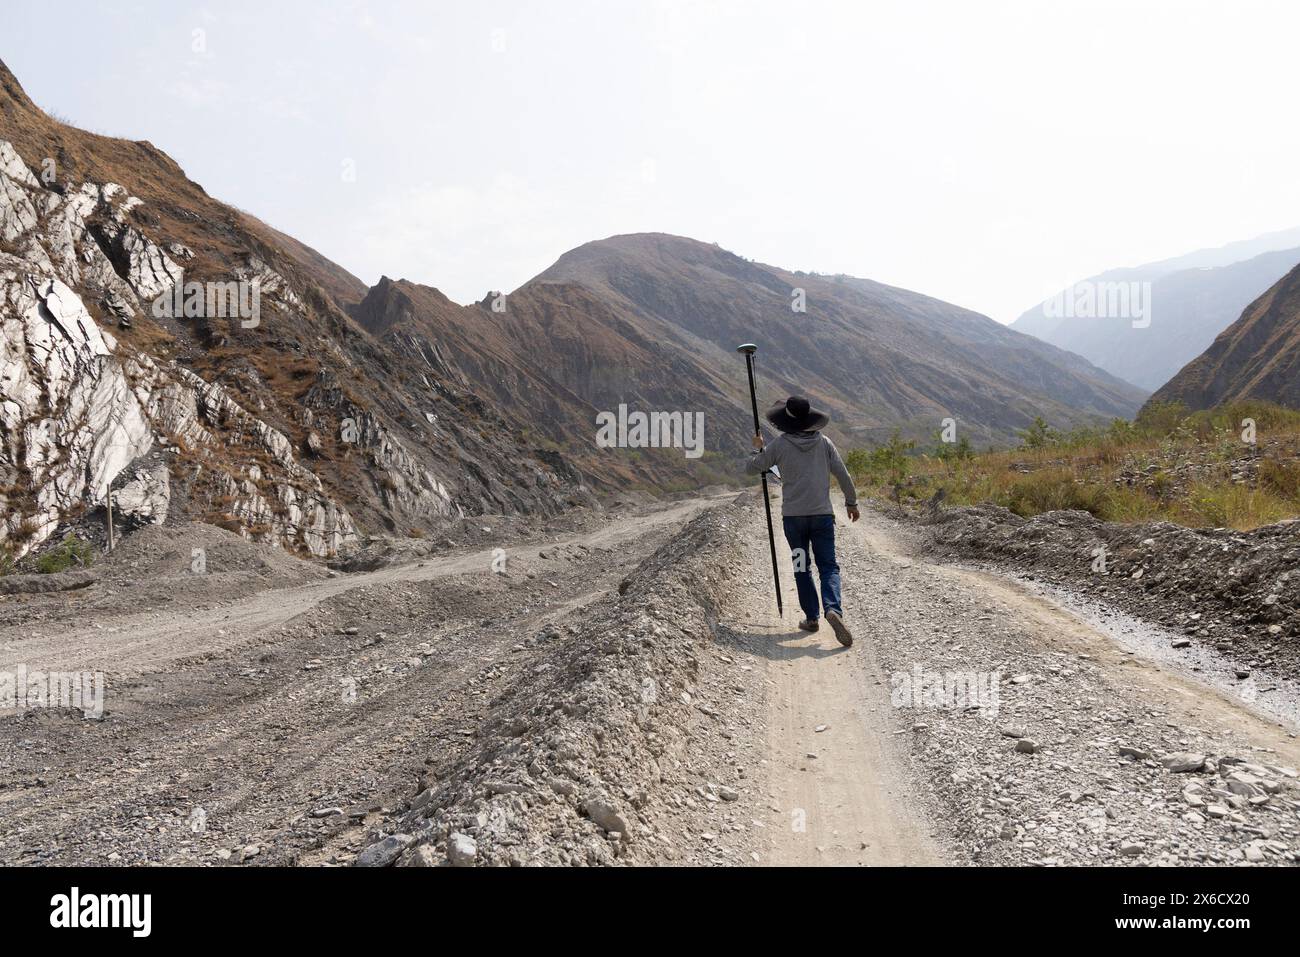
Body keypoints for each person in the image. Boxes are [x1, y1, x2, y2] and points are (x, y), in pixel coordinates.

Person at [746, 395, 859, 647]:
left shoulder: (779, 446)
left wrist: (757, 447)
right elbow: (843, 473)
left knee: (801, 567)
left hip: (793, 520)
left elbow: (752, 468)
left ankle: (811, 618)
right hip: (822, 517)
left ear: (786, 421)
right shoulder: (825, 443)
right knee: (828, 566)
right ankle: (833, 610)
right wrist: (851, 502)